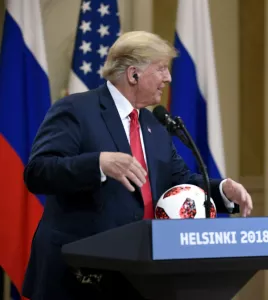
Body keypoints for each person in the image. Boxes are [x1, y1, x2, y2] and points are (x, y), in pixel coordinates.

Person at [22, 31, 253, 300]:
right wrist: (98, 163)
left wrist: (224, 190)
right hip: (78, 275)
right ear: (134, 74)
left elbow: (177, 180)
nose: (168, 78)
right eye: (162, 69)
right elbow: (38, 171)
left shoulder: (154, 125)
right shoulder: (76, 109)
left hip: (136, 274)